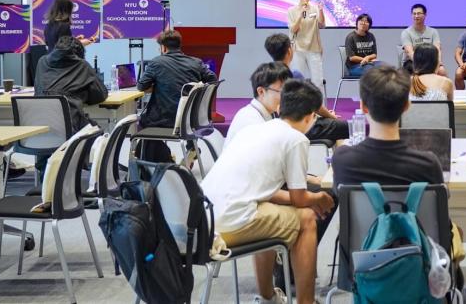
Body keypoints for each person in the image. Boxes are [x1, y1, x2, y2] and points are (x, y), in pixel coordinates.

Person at [202, 79, 335, 304]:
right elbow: (299, 198)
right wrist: (319, 197)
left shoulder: (252, 131)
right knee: (307, 219)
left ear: (280, 107)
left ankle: (268, 297)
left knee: (271, 213)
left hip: (203, 219)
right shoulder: (296, 139)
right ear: (311, 117)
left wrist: (310, 198)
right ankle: (306, 301)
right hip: (231, 222)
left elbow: (264, 192)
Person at [331, 66, 464, 263]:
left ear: (363, 106)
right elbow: (440, 212)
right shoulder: (427, 163)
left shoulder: (343, 160)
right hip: (419, 258)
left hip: (363, 258)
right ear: (407, 106)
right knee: (456, 230)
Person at [136, 29, 217, 161]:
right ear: (179, 45)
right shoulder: (196, 62)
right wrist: (197, 87)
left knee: (143, 122)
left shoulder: (157, 62)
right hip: (191, 121)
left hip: (165, 122)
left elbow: (141, 86)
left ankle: (164, 157)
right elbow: (213, 80)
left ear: (163, 47)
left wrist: (156, 86)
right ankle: (190, 147)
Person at [33, 35, 108, 172]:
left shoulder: (42, 62)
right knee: (98, 132)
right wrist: (82, 94)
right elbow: (100, 95)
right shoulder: (82, 65)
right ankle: (81, 168)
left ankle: (49, 172)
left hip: (40, 131)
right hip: (71, 129)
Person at [265, 33, 349, 141]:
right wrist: (331, 116)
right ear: (289, 51)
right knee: (346, 127)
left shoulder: (266, 75)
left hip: (277, 125)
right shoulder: (294, 76)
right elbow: (315, 105)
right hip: (301, 126)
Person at [224, 62, 292, 150]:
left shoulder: (262, 112)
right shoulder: (252, 122)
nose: (288, 96)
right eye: (283, 91)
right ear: (261, 92)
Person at [286, 0, 326, 91]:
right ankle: (298, 102)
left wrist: (321, 11)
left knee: (318, 81)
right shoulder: (291, 10)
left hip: (314, 48)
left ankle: (319, 102)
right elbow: (293, 29)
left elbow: (322, 25)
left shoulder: (315, 9)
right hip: (297, 49)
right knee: (297, 82)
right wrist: (300, 14)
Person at [400, 3, 446, 76]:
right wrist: (423, 66)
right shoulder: (406, 32)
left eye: (419, 13)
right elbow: (410, 52)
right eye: (414, 14)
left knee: (441, 71)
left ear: (425, 15)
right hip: (413, 62)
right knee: (417, 71)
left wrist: (438, 64)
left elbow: (437, 50)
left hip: (430, 62)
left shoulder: (433, 32)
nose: (416, 16)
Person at [344, 13, 384, 77]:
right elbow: (352, 58)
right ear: (357, 23)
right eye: (361, 20)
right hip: (354, 66)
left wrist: (367, 58)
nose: (363, 23)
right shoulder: (351, 37)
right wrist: (366, 60)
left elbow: (374, 54)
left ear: (369, 25)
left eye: (366, 21)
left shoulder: (371, 36)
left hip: (369, 63)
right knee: (373, 71)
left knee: (385, 67)